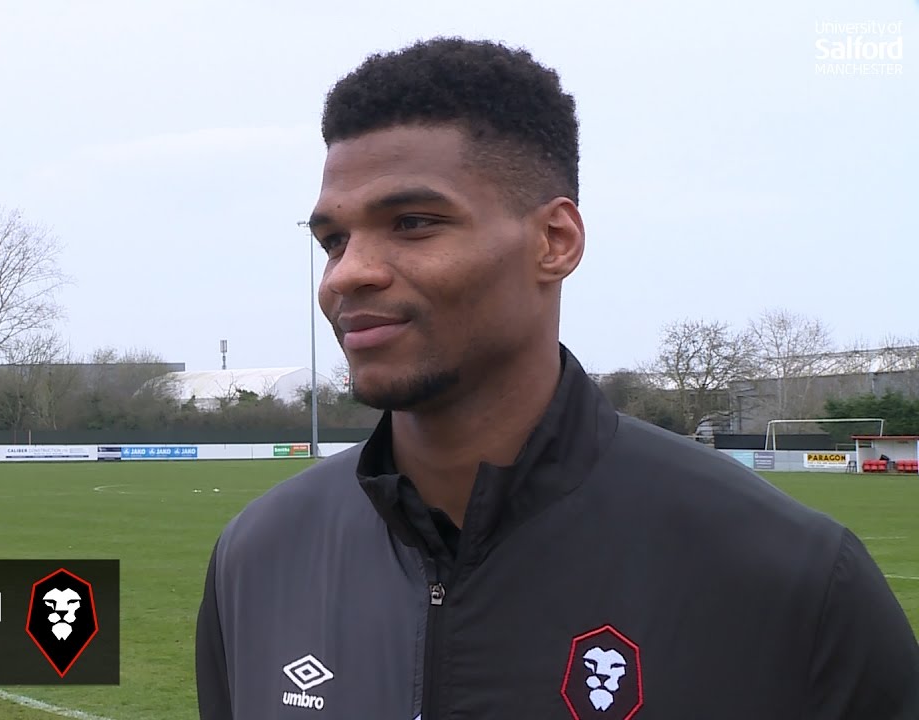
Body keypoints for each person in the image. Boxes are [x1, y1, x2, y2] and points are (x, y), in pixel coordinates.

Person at [194, 36, 919, 719]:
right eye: (333, 240)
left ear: (555, 241)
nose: (348, 274)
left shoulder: (791, 576)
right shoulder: (256, 559)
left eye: (413, 222)